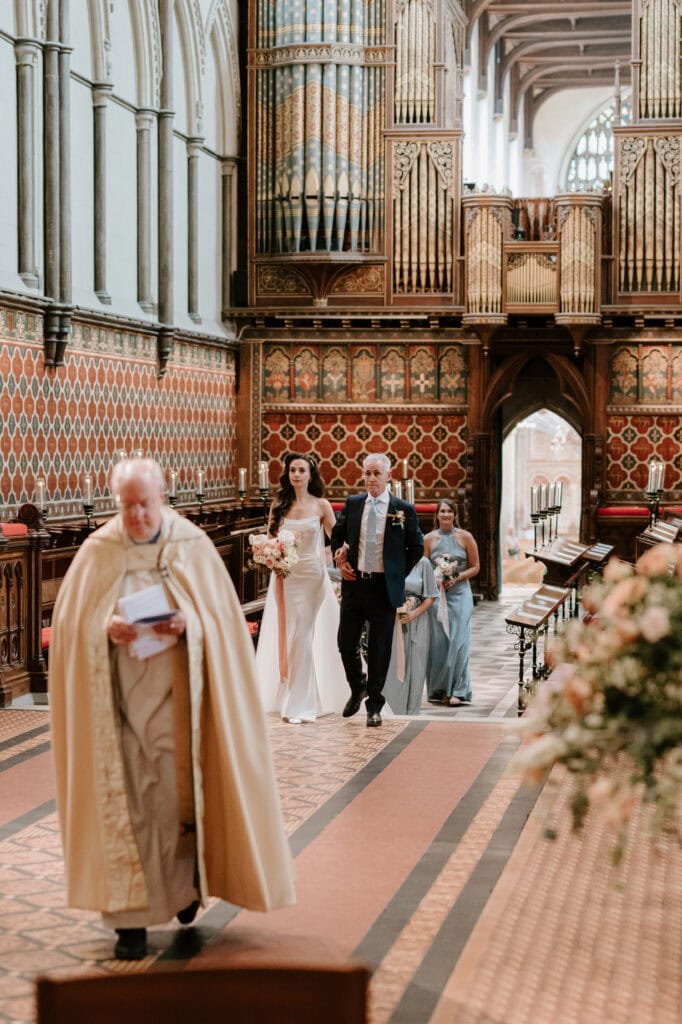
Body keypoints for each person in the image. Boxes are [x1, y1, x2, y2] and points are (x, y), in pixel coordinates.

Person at [49, 459, 295, 961]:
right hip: (118, 704)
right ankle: (130, 922)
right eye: (128, 505)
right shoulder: (99, 551)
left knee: (176, 798)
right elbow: (72, 628)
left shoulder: (190, 545)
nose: (137, 515)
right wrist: (104, 629)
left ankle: (183, 890)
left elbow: (220, 623)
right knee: (130, 803)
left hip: (181, 701)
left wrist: (189, 624)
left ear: (163, 497)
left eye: (145, 504)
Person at [331, 453, 424, 727]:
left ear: (388, 476)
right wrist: (341, 558)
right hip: (355, 584)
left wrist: (397, 575)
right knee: (345, 642)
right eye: (367, 473)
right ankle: (357, 684)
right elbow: (337, 535)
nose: (370, 478)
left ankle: (374, 705)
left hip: (384, 588)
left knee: (380, 649)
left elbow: (416, 547)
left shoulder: (402, 509)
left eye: (376, 474)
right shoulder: (354, 503)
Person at [257, 452, 348, 723]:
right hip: (285, 576)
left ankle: (300, 705)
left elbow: (337, 538)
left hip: (312, 577)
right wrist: (268, 554)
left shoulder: (321, 505)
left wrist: (343, 554)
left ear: (311, 475)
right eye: (292, 470)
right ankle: (289, 696)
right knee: (290, 634)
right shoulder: (279, 505)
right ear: (287, 474)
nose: (296, 474)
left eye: (301, 470)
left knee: (302, 635)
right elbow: (270, 542)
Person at [425, 498, 480, 706]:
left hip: (460, 595)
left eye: (449, 511)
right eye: (442, 511)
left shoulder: (465, 537)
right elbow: (423, 568)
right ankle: (439, 689)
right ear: (437, 515)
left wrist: (456, 577)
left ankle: (459, 689)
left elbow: (475, 567)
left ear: (455, 514)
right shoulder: (429, 539)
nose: (446, 514)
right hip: (438, 596)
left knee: (459, 640)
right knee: (439, 642)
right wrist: (436, 578)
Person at [383, 555, 439, 715]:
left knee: (416, 665)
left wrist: (414, 613)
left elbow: (431, 596)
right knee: (393, 665)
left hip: (417, 620)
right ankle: (392, 710)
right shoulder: (387, 557)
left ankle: (412, 712)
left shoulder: (423, 562)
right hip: (391, 619)